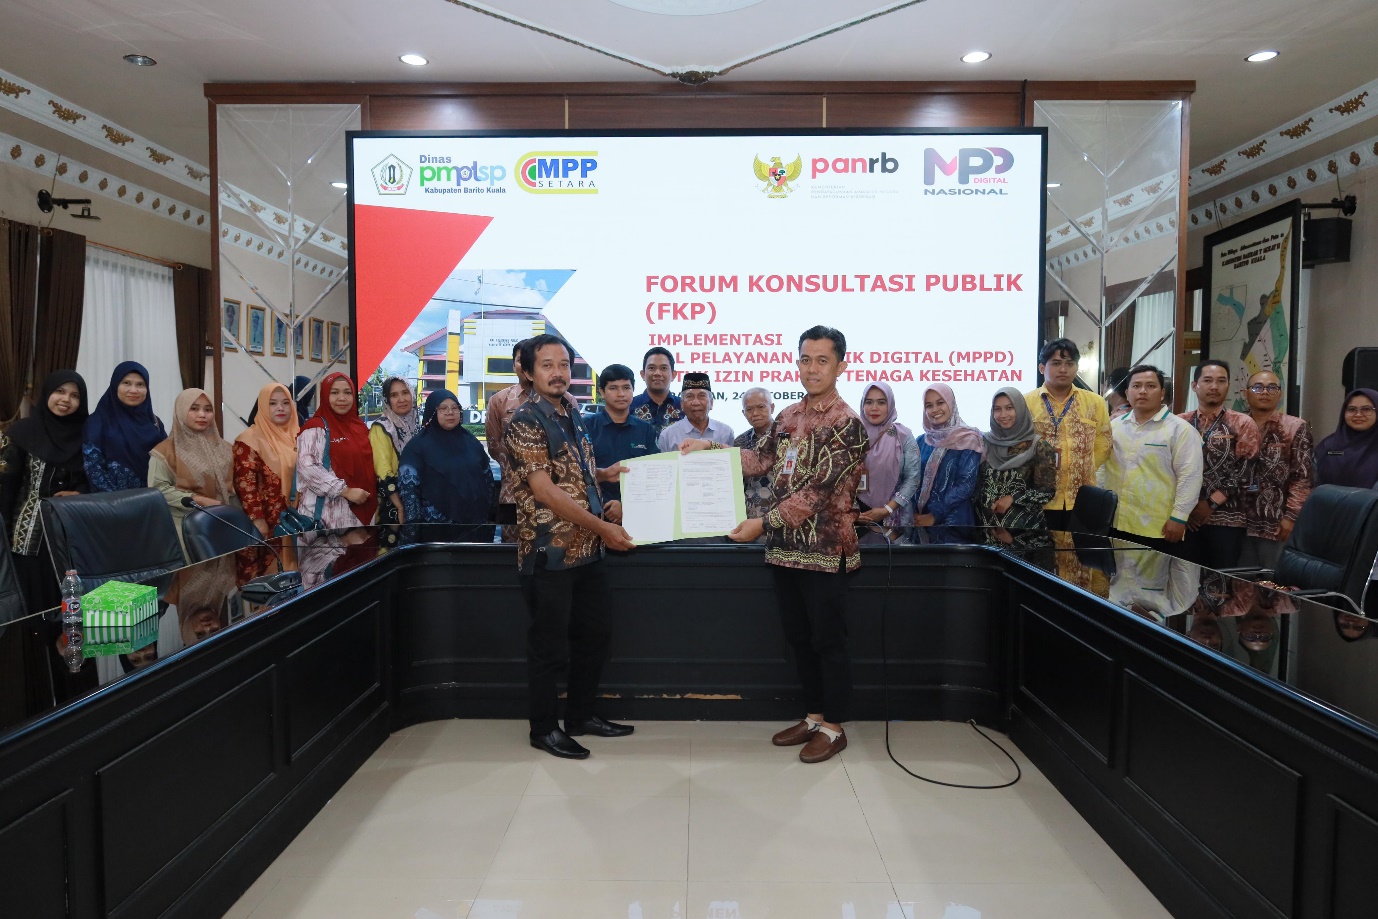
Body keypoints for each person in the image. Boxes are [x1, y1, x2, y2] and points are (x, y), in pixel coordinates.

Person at [683, 326, 869, 764]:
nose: (812, 369)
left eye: (822, 360)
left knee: (828, 642)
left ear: (841, 365)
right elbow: (759, 459)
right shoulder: (788, 416)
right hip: (786, 549)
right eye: (805, 359)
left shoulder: (847, 424)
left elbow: (817, 494)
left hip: (825, 552)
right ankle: (814, 716)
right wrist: (709, 448)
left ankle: (835, 727)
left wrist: (761, 524)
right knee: (800, 639)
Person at [504, 334, 635, 760]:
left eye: (564, 365)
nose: (558, 373)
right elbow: (544, 489)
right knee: (549, 647)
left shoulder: (570, 411)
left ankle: (580, 715)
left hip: (588, 550)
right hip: (550, 553)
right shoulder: (525, 419)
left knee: (594, 636)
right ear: (528, 372)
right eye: (547, 365)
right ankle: (543, 728)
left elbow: (570, 469)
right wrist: (603, 526)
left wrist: (604, 474)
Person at [0, 370, 89, 613]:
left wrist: (81, 493)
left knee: (70, 608)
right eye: (60, 391)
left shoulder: (86, 434)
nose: (66, 399)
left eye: (75, 395)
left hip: (70, 537)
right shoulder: (21, 432)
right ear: (48, 392)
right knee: (31, 607)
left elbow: (91, 477)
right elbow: (5, 488)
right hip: (26, 539)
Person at [1099, 365, 1203, 555]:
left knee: (1153, 574)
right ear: (1127, 393)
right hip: (1116, 521)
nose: (1143, 391)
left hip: (1158, 527)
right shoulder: (1114, 427)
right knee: (1116, 573)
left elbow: (1190, 476)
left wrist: (1179, 517)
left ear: (1162, 393)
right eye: (1136, 386)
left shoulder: (1180, 430)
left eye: (1150, 386)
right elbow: (1101, 468)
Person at [487, 340, 579, 538]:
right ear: (516, 365)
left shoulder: (568, 401)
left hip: (562, 496)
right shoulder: (499, 400)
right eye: (520, 360)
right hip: (512, 495)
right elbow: (494, 446)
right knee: (513, 549)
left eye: (564, 365)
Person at [1177, 360, 1261, 570]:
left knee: (1222, 578)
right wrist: (1186, 507)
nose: (1214, 386)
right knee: (1184, 577)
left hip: (1227, 520)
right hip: (1184, 517)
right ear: (1194, 385)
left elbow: (1245, 470)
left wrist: (1210, 503)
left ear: (1228, 386)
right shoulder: (1179, 423)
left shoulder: (1242, 423)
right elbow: (1167, 468)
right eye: (1207, 380)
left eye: (1221, 381)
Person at [1024, 339, 1112, 530]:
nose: (1063, 369)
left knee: (1078, 547)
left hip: (1081, 495)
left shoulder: (1095, 402)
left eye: (1069, 364)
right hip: (1038, 496)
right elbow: (1019, 445)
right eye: (1056, 363)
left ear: (1076, 368)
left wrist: (1080, 466)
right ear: (1041, 368)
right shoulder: (1026, 403)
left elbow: (1104, 443)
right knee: (1043, 547)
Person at [1239, 371, 1314, 568]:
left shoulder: (1295, 427)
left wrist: (1291, 517)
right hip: (1238, 522)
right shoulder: (1235, 425)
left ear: (1280, 394)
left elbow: (1302, 478)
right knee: (1238, 580)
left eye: (1272, 387)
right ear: (1245, 393)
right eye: (1258, 387)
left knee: (1273, 580)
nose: (1265, 392)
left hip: (1276, 523)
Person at [148, 388, 237, 549]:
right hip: (185, 526)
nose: (202, 415)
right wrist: (197, 499)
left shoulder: (225, 448)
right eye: (194, 409)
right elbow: (158, 489)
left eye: (208, 410)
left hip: (223, 523)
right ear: (181, 410)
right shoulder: (165, 451)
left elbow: (234, 488)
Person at [399, 389, 495, 526]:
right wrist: (413, 528)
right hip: (435, 528)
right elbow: (410, 491)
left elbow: (488, 479)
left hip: (475, 525)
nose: (450, 412)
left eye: (455, 408)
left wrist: (488, 514)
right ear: (432, 412)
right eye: (443, 408)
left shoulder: (470, 441)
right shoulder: (417, 447)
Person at [296, 372, 378, 528]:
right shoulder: (315, 428)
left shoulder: (360, 428)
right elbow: (307, 467)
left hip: (361, 517)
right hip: (327, 521)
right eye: (334, 392)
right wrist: (346, 491)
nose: (342, 398)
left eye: (347, 392)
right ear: (325, 395)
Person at [976, 386, 1057, 534]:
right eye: (997, 409)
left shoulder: (1038, 447)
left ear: (1020, 409)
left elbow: (1047, 491)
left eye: (1009, 408)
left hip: (1023, 532)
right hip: (986, 530)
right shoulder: (984, 443)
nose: (1003, 414)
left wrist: (1013, 498)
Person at [83, 361, 167, 492]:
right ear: (115, 385)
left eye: (140, 384)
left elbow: (165, 463)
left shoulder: (154, 422)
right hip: (111, 500)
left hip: (151, 498)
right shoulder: (97, 422)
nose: (133, 390)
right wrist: (117, 500)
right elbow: (94, 469)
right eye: (126, 383)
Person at [233, 382, 300, 538]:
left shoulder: (300, 436)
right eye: (272, 403)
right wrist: (258, 520)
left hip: (299, 518)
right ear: (262, 406)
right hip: (266, 521)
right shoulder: (249, 440)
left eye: (286, 403)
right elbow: (246, 485)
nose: (280, 408)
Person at [585, 364, 656, 509]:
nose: (621, 394)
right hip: (594, 510)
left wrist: (624, 505)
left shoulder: (646, 430)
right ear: (602, 392)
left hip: (637, 509)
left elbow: (653, 473)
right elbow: (578, 471)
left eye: (626, 388)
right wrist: (605, 505)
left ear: (633, 390)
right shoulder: (586, 426)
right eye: (613, 388)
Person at [914, 383, 983, 527]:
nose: (935, 410)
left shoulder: (969, 438)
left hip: (953, 523)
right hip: (918, 521)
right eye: (929, 405)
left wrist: (934, 515)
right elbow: (912, 478)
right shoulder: (921, 441)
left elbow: (965, 485)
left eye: (940, 403)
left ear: (951, 403)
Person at [855, 383, 919, 528]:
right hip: (857, 518)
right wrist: (852, 512)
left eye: (881, 402)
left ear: (890, 405)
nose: (874, 408)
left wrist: (887, 509)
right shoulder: (851, 436)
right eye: (869, 402)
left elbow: (913, 478)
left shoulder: (903, 436)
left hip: (895, 518)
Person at [369, 376, 420, 525]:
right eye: (394, 395)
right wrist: (400, 506)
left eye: (405, 392)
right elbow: (383, 471)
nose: (401, 399)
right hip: (392, 505)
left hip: (417, 501)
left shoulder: (418, 426)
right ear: (387, 400)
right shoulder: (381, 427)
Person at [1313, 388, 1378, 489]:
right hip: (1326, 499)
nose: (1358, 415)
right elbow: (1312, 482)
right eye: (1351, 409)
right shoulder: (1328, 445)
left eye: (1366, 409)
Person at [657, 372, 734, 452]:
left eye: (702, 396)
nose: (696, 402)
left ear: (711, 403)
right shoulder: (667, 436)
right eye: (690, 397)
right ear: (682, 404)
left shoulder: (726, 433)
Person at [734, 387, 776, 520]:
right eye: (749, 409)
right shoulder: (740, 441)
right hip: (748, 518)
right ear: (743, 413)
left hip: (779, 518)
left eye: (761, 407)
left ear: (772, 408)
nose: (755, 413)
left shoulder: (786, 436)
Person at [630, 346, 683, 435]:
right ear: (643, 374)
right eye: (651, 368)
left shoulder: (684, 407)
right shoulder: (630, 406)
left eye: (664, 368)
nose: (657, 373)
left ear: (673, 375)